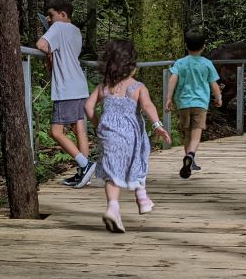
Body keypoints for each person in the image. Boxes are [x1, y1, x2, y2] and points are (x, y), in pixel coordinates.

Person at [85, 40, 171, 233]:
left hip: (108, 133)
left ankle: (113, 208)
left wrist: (99, 125)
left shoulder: (103, 87)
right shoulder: (138, 87)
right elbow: (148, 106)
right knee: (138, 160)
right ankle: (142, 199)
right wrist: (157, 125)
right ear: (131, 66)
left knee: (112, 173)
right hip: (130, 134)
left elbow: (88, 107)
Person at [35, 0, 95, 188]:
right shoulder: (76, 31)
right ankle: (83, 174)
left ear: (62, 15)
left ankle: (86, 165)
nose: (49, 19)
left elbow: (41, 45)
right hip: (79, 85)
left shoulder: (59, 27)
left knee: (55, 131)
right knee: (79, 129)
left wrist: (48, 49)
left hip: (66, 88)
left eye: (51, 15)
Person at [164, 30, 222, 179]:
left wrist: (169, 98)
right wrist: (218, 97)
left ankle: (189, 160)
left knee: (187, 133)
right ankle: (191, 155)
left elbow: (172, 80)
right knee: (196, 134)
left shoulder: (180, 63)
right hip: (200, 103)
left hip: (183, 102)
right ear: (203, 46)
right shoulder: (206, 63)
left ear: (186, 46)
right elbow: (213, 83)